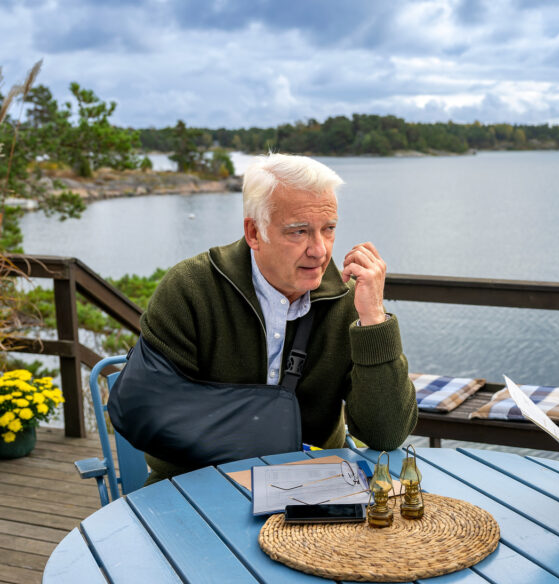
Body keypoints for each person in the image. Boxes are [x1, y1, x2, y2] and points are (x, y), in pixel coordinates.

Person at [135, 153, 417, 483]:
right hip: (197, 485)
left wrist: (373, 319)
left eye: (328, 229)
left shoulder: (345, 303)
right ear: (254, 233)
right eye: (298, 232)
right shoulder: (190, 290)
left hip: (316, 486)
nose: (320, 250)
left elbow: (387, 435)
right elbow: (156, 426)